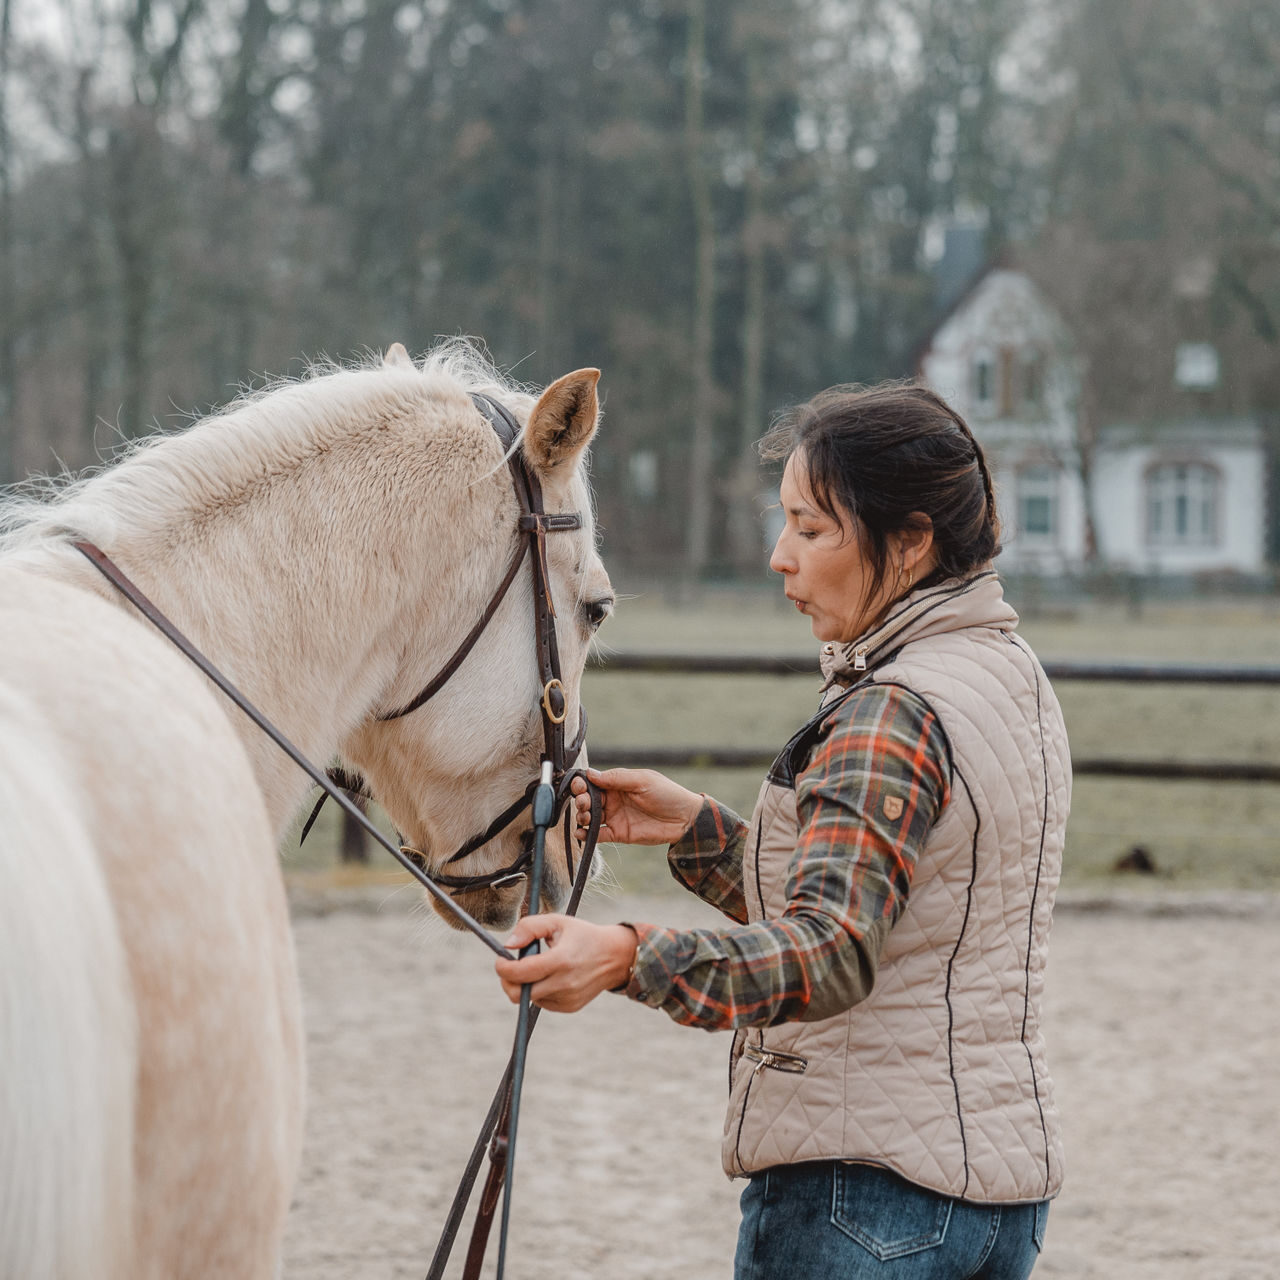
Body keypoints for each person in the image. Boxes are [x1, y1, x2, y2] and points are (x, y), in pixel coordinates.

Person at [495, 381, 1070, 1279]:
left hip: (859, 1197)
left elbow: (835, 950)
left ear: (911, 541)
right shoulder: (1009, 678)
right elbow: (907, 905)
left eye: (811, 529)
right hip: (997, 1207)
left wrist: (624, 955)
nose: (779, 557)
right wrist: (697, 831)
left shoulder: (892, 711)